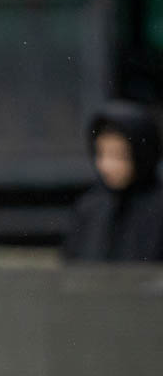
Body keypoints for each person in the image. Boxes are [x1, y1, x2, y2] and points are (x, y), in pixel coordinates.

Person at [61, 100, 163, 262]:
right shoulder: (90, 207)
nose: (107, 166)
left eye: (119, 156)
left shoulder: (158, 210)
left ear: (142, 154)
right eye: (101, 154)